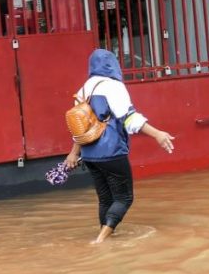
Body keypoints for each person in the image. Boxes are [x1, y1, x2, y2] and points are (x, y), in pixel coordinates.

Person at [64, 49, 175, 244]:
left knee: (105, 199)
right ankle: (100, 240)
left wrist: (73, 154)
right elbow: (129, 118)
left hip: (89, 154)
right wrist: (157, 133)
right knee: (124, 198)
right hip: (111, 151)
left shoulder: (83, 90)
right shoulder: (114, 86)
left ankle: (108, 235)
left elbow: (81, 128)